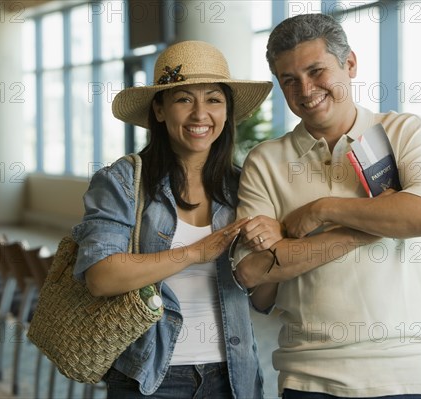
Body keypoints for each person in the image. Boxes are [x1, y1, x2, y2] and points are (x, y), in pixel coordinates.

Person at [232, 13, 421, 399]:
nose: (306, 89)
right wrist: (380, 220)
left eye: (316, 71)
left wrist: (322, 210)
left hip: (410, 371)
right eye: (289, 80)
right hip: (308, 374)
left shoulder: (405, 132)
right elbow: (252, 274)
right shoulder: (265, 160)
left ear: (349, 64)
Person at [72, 40, 275, 398]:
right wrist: (195, 253)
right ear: (160, 110)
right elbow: (101, 277)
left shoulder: (244, 185)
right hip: (149, 377)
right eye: (184, 99)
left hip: (233, 376)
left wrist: (273, 248)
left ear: (227, 112)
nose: (200, 114)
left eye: (214, 99)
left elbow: (262, 298)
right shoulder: (122, 181)